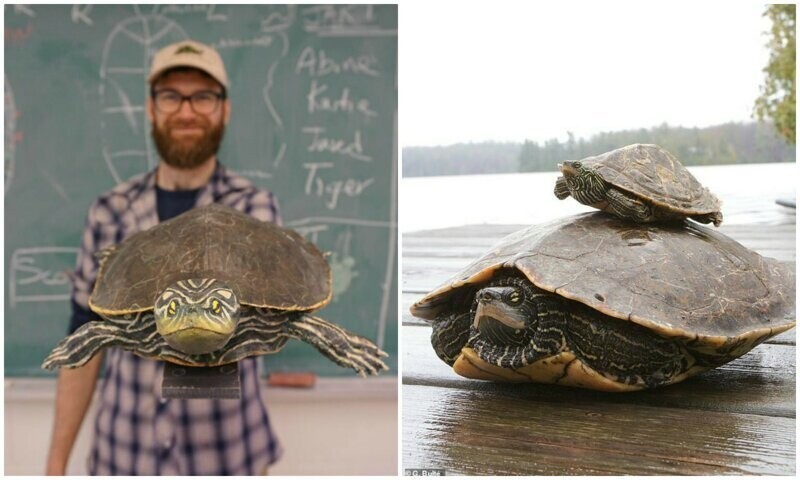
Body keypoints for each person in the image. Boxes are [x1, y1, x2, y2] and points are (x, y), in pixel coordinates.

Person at [45, 40, 282, 475]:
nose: (187, 111)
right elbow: (83, 339)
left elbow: (255, 328)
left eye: (204, 96)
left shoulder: (254, 211)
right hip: (123, 451)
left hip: (228, 452)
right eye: (171, 96)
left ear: (224, 110)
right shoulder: (110, 211)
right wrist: (55, 465)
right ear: (151, 109)